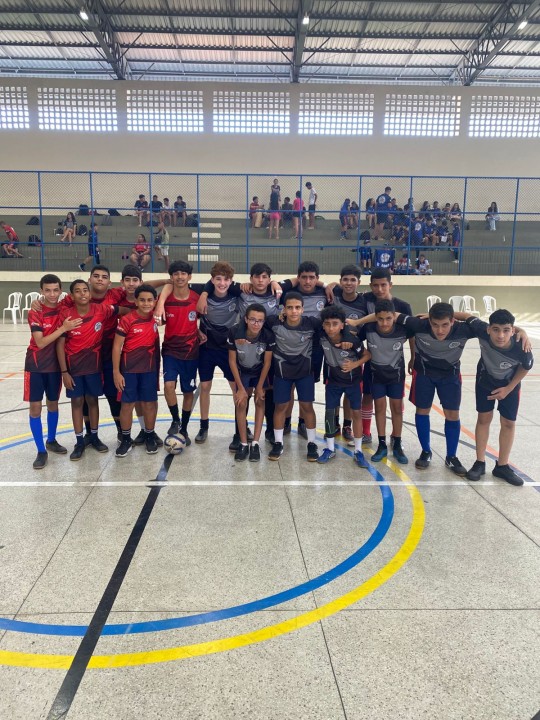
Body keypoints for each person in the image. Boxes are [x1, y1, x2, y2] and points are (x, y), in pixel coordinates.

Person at [396, 302, 483, 475]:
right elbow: (391, 314)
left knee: (452, 415)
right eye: (435, 324)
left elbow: (495, 327)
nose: (440, 330)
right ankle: (426, 451)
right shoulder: (419, 324)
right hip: (424, 375)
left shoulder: (464, 330)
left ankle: (451, 456)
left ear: (453, 321)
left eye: (445, 325)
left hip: (450, 377)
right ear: (429, 321)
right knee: (422, 411)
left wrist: (521, 332)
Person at [464, 309, 533, 486]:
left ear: (512, 331)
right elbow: (464, 316)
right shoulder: (481, 330)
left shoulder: (522, 347)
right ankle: (480, 463)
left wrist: (508, 389)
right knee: (484, 419)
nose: (500, 335)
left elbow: (525, 367)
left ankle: (502, 466)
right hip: (485, 381)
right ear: (488, 329)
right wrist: (431, 316)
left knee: (508, 423)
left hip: (510, 385)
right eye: (495, 329)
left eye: (506, 330)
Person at [25, 274, 82, 470]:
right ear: (41, 291)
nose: (51, 294)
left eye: (55, 290)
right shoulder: (35, 312)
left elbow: (83, 293)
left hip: (55, 366)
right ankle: (41, 451)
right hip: (36, 365)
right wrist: (63, 328)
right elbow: (40, 342)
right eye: (47, 290)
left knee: (53, 404)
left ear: (60, 291)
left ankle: (51, 440)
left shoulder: (64, 307)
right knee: (35, 408)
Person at [56, 279, 117, 461]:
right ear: (72, 295)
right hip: (73, 368)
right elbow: (60, 345)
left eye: (85, 290)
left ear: (90, 294)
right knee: (76, 402)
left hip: (93, 366)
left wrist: (144, 313)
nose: (82, 293)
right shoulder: (66, 314)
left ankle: (95, 437)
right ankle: (79, 441)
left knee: (92, 400)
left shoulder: (101, 309)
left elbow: (122, 310)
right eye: (78, 291)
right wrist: (64, 372)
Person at [356, 300, 414, 465]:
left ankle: (397, 443)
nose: (384, 323)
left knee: (396, 408)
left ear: (394, 317)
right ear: (375, 318)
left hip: (396, 376)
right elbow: (353, 337)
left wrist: (414, 357)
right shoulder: (368, 329)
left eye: (388, 318)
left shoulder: (402, 329)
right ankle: (381, 444)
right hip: (376, 376)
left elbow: (416, 332)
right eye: (380, 319)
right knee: (380, 408)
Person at [154, 260, 206, 445]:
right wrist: (160, 303)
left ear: (189, 276)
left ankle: (184, 427)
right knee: (169, 386)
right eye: (176, 273)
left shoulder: (196, 298)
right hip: (170, 349)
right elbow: (160, 320)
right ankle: (175, 420)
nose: (180, 277)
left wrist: (199, 332)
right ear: (171, 277)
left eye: (183, 273)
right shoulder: (165, 299)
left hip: (191, 352)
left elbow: (200, 319)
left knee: (188, 391)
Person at [266, 292, 321, 462]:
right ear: (284, 309)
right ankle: (278, 442)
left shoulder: (312, 324)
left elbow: (335, 325)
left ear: (303, 309)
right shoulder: (274, 322)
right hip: (282, 372)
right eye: (289, 308)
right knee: (280, 407)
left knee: (307, 406)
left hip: (305, 372)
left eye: (297, 307)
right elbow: (253, 322)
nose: (294, 311)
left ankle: (312, 443)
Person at [317, 306, 370, 468]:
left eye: (335, 324)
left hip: (353, 382)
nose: (331, 328)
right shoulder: (322, 336)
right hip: (333, 382)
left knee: (356, 413)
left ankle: (358, 451)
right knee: (329, 413)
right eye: (327, 324)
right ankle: (330, 448)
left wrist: (355, 364)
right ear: (323, 325)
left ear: (342, 325)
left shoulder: (351, 340)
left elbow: (367, 355)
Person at [113, 285, 161, 457]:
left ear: (155, 301)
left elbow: (170, 286)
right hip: (129, 370)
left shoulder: (155, 318)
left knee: (149, 403)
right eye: (142, 300)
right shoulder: (127, 320)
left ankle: (149, 435)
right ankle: (126, 439)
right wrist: (116, 372)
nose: (146, 303)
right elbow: (117, 347)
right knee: (127, 405)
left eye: (149, 300)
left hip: (149, 369)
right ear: (135, 301)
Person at [227, 304, 274, 462]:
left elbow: (267, 362)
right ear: (246, 319)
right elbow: (232, 361)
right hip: (243, 372)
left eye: (260, 321)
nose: (256, 323)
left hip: (260, 371)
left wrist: (259, 387)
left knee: (260, 401)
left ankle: (255, 443)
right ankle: (243, 443)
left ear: (264, 322)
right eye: (252, 319)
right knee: (241, 403)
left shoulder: (267, 336)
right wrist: (240, 388)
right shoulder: (234, 332)